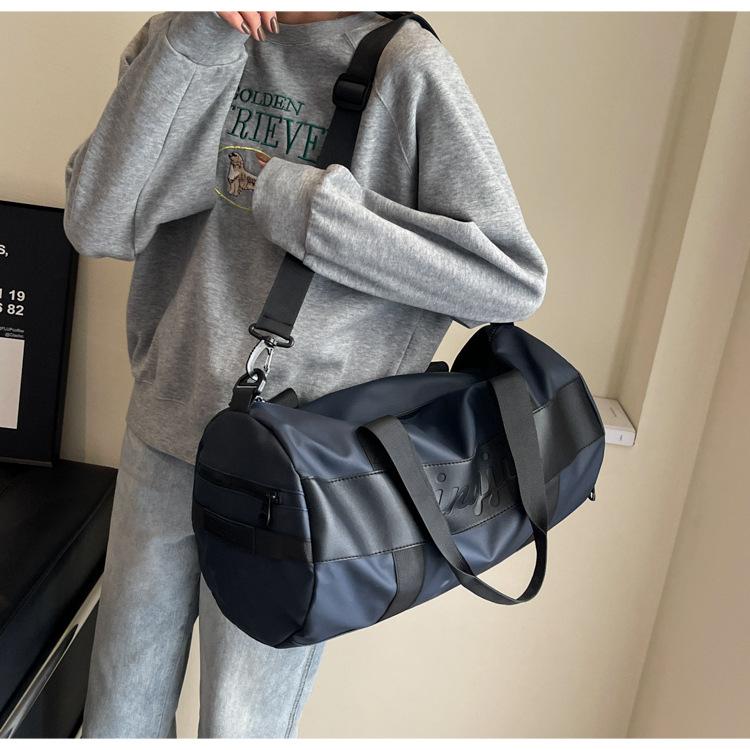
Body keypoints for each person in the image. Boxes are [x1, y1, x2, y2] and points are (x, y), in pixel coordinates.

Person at [63, 9, 548, 738]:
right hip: (163, 430)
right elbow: (95, 220)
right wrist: (196, 37)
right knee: (116, 712)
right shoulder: (181, 36)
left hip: (299, 474)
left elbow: (508, 280)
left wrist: (311, 209)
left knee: (242, 727)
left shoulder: (406, 68)